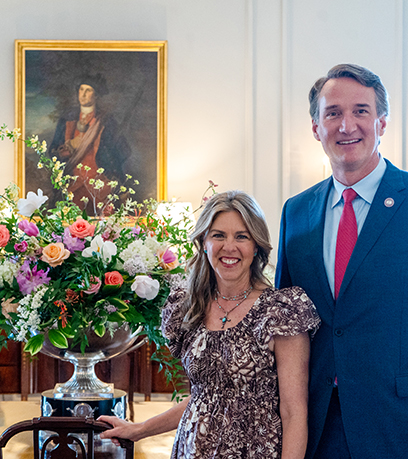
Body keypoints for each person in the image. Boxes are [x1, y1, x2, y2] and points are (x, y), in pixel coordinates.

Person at [99, 190, 320, 458]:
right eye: (218, 235)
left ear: (256, 246)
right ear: (204, 242)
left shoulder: (280, 311)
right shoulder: (188, 307)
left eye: (242, 236)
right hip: (191, 450)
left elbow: (294, 411)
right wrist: (139, 429)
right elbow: (206, 399)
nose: (230, 247)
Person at [275, 63, 408, 458]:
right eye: (333, 113)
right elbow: (284, 316)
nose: (346, 125)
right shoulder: (296, 212)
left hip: (393, 417)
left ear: (382, 123)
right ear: (316, 128)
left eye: (361, 111)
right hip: (315, 422)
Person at [49, 74, 126, 211]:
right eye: (81, 89)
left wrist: (115, 175)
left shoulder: (107, 122)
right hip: (73, 186)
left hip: (101, 186)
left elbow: (122, 152)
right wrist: (68, 147)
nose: (83, 94)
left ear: (96, 96)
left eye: (88, 90)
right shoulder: (66, 119)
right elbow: (53, 152)